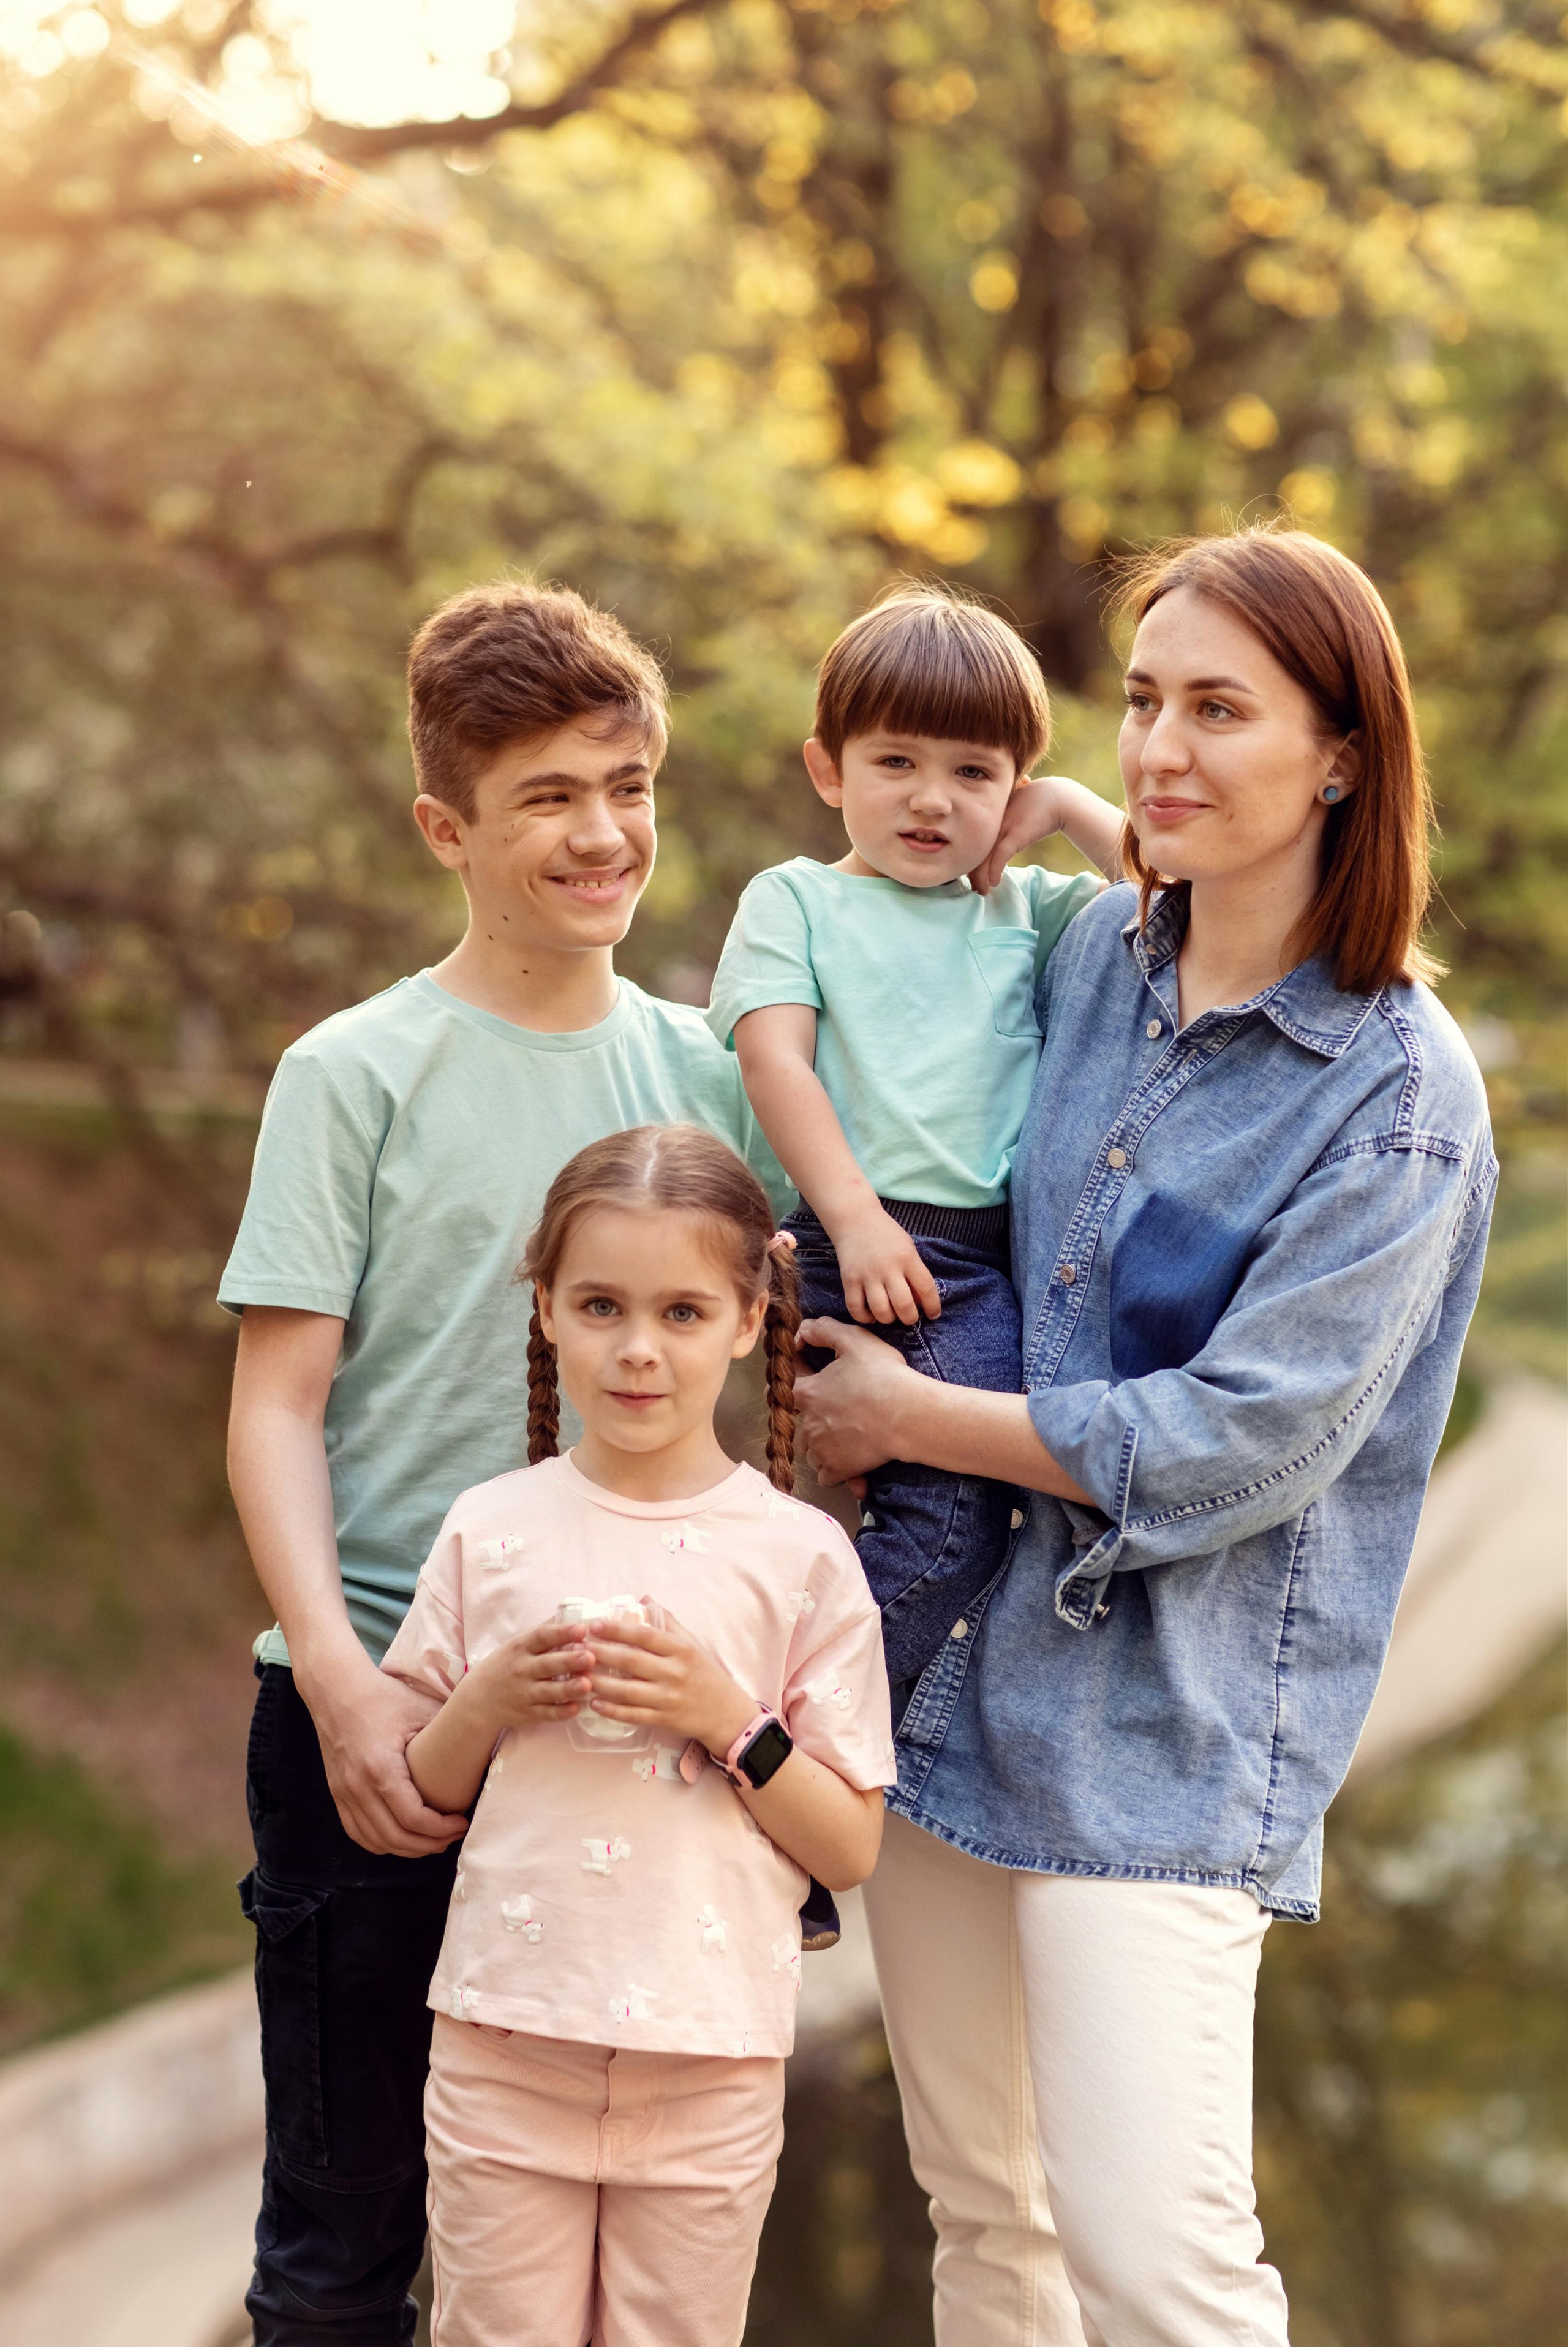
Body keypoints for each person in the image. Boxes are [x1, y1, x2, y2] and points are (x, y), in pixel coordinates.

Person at [793, 526, 1497, 2346]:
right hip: (955, 1689)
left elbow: (1241, 1445)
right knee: (989, 2228)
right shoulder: (1096, 959)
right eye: (1142, 702)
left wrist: (912, 1412)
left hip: (1165, 1740)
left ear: (1342, 752)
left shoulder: (1399, 1099)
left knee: (1155, 2265)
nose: (1162, 746)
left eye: (1219, 710)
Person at [221, 582, 791, 2347]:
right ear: (446, 828)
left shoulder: (710, 1076)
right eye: (548, 796)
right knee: (339, 2254)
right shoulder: (353, 1074)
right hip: (384, 1721)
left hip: (642, 1742)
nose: (603, 832)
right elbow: (276, 1405)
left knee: (617, 2256)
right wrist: (337, 1685)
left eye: (627, 784)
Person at [380, 1124, 894, 2347]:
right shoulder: (489, 1527)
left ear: (743, 1318)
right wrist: (491, 1700)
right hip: (506, 2051)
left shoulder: (800, 1556)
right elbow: (422, 1791)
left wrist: (731, 1721)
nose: (637, 1350)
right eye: (601, 1305)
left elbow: (852, 1848)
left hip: (709, 2065)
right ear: (546, 1308)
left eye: (679, 1312)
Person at [706, 584, 1121, 1682]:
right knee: (954, 1529)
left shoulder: (1025, 908)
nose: (933, 801)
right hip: (867, 1244)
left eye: (974, 773)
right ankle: (795, 1739)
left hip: (990, 1264)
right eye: (896, 763)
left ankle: (792, 1705)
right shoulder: (797, 900)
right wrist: (860, 1219)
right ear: (828, 769)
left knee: (970, 1516)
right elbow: (775, 1061)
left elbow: (1190, 903)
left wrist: (1074, 806)